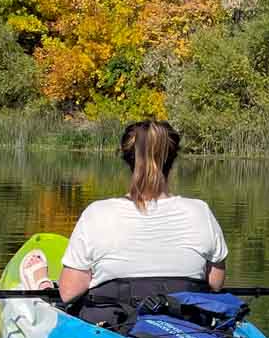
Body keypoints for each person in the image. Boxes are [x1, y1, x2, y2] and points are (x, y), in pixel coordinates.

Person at [56, 120, 228, 324]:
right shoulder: (200, 212)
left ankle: (39, 281)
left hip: (113, 329)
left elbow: (68, 292)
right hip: (186, 326)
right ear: (172, 161)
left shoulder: (97, 213)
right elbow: (215, 284)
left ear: (126, 159)